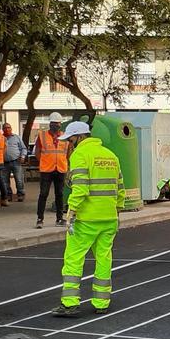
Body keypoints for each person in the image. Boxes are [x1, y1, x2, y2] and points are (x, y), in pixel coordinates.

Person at [51, 121, 126, 317]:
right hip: (109, 217)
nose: (69, 143)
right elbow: (120, 188)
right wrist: (117, 211)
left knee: (73, 259)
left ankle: (70, 303)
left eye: (70, 139)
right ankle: (102, 302)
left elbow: (81, 188)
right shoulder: (111, 155)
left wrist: (71, 212)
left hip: (86, 218)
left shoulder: (80, 155)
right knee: (104, 259)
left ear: (79, 137)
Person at [34, 112, 69, 229]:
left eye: (58, 123)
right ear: (50, 124)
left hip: (60, 169)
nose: (56, 126)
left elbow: (68, 153)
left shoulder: (65, 137)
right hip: (46, 170)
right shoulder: (42, 135)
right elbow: (37, 152)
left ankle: (59, 218)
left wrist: (66, 164)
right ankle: (40, 219)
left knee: (59, 194)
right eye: (54, 123)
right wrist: (43, 161)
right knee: (43, 194)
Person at [2, 122, 28, 203]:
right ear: (3, 129)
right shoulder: (1, 138)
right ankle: (8, 196)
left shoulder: (16, 137)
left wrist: (23, 156)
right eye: (5, 128)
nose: (7, 129)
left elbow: (23, 148)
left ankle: (21, 195)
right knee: (5, 180)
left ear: (11, 128)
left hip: (16, 161)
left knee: (19, 180)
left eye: (8, 127)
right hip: (4, 163)